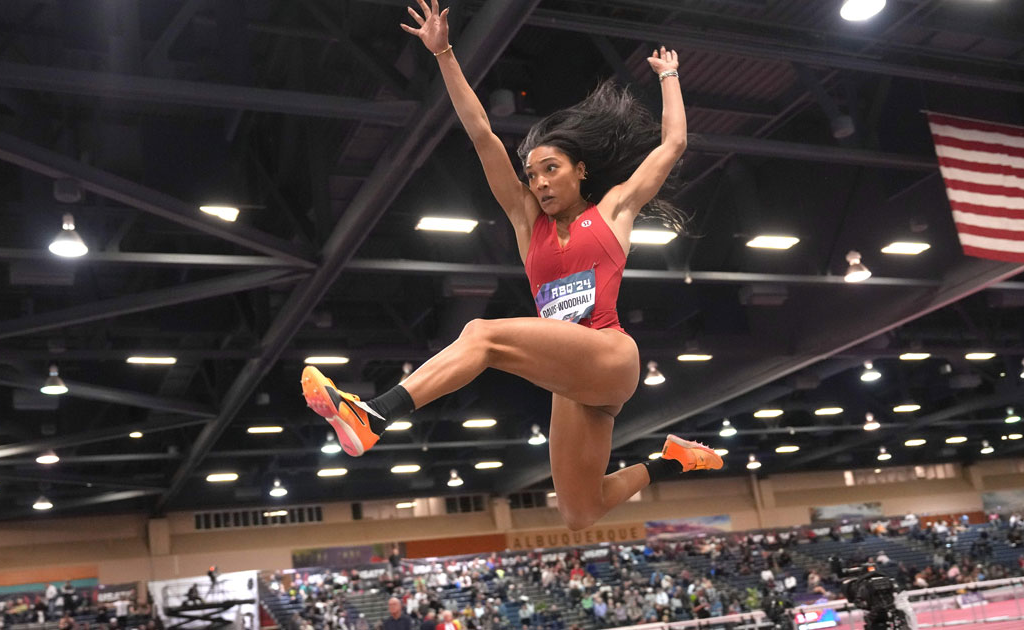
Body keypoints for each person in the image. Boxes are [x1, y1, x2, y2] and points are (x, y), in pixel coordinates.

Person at [301, 0, 719, 531]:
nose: (540, 182)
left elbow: (674, 143)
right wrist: (445, 54)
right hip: (570, 376)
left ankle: (375, 414)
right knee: (579, 512)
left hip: (610, 356)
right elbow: (481, 133)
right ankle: (674, 459)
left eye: (551, 169)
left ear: (579, 170)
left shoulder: (613, 209)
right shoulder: (527, 222)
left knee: (481, 334)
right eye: (533, 174)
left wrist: (670, 76)